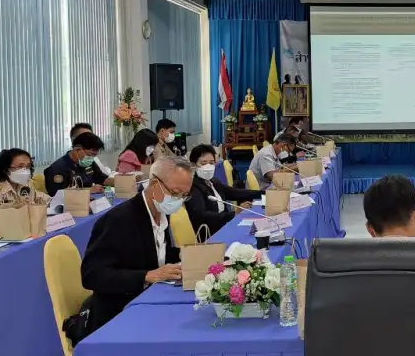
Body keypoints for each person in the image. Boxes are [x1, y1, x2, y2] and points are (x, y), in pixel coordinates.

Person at [80, 156, 190, 333]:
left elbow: (154, 253)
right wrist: (146, 276)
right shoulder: (118, 220)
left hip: (150, 302)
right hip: (118, 315)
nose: (179, 200)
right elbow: (92, 275)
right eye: (176, 193)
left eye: (185, 195)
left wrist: (183, 255)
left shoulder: (161, 211)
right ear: (155, 184)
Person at [185, 144, 265, 236]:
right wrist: (234, 213)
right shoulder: (193, 187)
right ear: (193, 165)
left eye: (211, 163)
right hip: (211, 234)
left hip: (225, 225)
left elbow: (235, 193)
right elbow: (202, 215)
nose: (208, 166)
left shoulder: (213, 181)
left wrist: (264, 193)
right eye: (203, 163)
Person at [44, 133, 114, 197]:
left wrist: (118, 181)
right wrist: (88, 190)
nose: (91, 158)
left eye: (94, 156)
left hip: (89, 200)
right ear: (77, 150)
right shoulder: (57, 168)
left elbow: (101, 178)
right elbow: (56, 195)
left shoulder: (88, 163)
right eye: (89, 155)